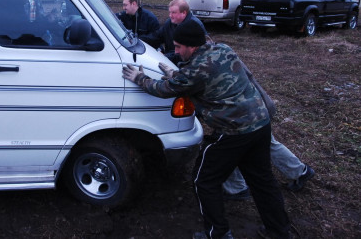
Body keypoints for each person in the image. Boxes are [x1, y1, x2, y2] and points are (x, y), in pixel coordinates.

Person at [122, 19, 291, 239]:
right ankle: (279, 232)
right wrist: (176, 74)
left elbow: (164, 89)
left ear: (192, 47)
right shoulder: (223, 49)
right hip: (260, 125)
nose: (176, 51)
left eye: (179, 47)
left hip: (234, 132)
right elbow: (205, 77)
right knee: (263, 181)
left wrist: (140, 77)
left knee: (204, 180)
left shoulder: (195, 70)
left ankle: (218, 233)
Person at [223, 135, 315, 200]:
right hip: (257, 111)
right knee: (264, 138)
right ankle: (299, 171)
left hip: (239, 114)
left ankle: (236, 188)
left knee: (229, 142)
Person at [142, 0, 207, 64]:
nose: (170, 15)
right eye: (170, 12)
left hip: (187, 64)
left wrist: (165, 57)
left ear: (184, 13)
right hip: (170, 61)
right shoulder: (170, 23)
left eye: (173, 12)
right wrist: (139, 40)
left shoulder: (194, 26)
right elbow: (156, 37)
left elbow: (190, 52)